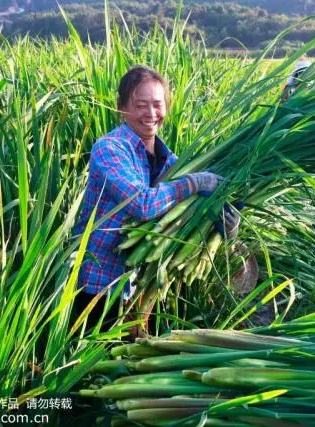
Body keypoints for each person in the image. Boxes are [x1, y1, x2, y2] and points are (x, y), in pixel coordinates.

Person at [72, 65, 239, 332]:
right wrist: (195, 183)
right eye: (141, 105)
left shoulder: (171, 163)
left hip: (140, 289)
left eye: (157, 105)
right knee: (92, 367)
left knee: (129, 366)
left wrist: (221, 226)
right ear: (122, 107)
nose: (151, 113)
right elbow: (142, 205)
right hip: (97, 287)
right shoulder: (109, 149)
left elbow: (184, 220)